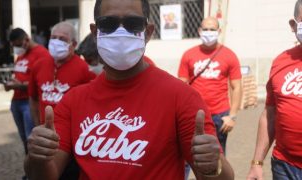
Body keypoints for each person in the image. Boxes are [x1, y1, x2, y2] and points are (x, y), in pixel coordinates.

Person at [24, 1, 234, 179]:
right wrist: (36, 156)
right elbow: (46, 175)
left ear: (148, 32)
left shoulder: (182, 97)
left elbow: (222, 176)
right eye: (109, 23)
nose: (120, 32)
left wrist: (213, 163)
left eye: (133, 23)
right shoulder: (74, 101)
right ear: (95, 32)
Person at [247, 1, 302, 179]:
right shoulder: (280, 61)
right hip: (284, 165)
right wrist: (257, 163)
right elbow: (269, 114)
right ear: (293, 25)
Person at [178, 17, 242, 154]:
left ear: (219, 31)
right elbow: (181, 85)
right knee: (189, 153)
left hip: (220, 115)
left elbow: (237, 86)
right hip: (193, 113)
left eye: (212, 29)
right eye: (205, 29)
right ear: (199, 31)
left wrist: (232, 116)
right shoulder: (188, 55)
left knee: (218, 155)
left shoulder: (229, 55)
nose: (208, 32)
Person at [29, 21, 96, 126]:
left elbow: (92, 104)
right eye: (53, 37)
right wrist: (37, 124)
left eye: (62, 39)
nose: (56, 42)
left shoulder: (84, 69)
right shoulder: (38, 65)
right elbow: (33, 98)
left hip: (71, 131)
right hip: (45, 129)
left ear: (73, 44)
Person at [3, 28, 51, 155]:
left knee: (32, 139)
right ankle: (29, 169)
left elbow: (44, 82)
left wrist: (21, 86)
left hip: (28, 102)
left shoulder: (42, 53)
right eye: (13, 46)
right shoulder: (22, 54)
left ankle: (36, 172)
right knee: (24, 138)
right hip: (16, 101)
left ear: (26, 40)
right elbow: (20, 74)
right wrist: (11, 84)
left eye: (17, 45)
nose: (16, 48)